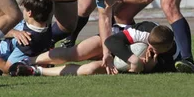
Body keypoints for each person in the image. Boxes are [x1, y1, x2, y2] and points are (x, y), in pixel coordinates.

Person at [14, 22, 179, 76]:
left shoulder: (170, 57)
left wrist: (146, 65)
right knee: (75, 53)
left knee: (91, 69)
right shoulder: (145, 31)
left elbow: (147, 70)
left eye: (155, 48)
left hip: (120, 60)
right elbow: (113, 41)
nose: (150, 48)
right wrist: (133, 58)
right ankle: (30, 59)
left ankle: (35, 71)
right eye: (149, 45)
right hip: (109, 41)